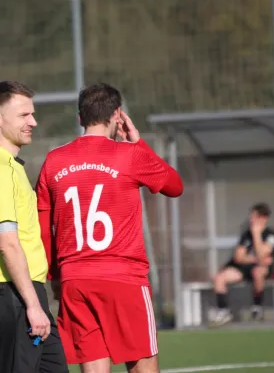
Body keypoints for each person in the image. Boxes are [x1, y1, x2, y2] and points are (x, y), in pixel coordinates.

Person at [35, 83, 183, 373]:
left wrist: (54, 276)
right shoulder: (129, 155)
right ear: (118, 115)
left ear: (80, 118)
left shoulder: (54, 161)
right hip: (123, 278)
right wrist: (138, 143)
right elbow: (174, 186)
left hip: (74, 281)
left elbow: (43, 227)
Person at [0, 81, 68, 373]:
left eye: (33, 114)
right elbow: (8, 243)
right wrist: (32, 306)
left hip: (25, 295)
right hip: (12, 296)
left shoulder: (11, 167)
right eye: (24, 115)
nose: (33, 122)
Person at [210, 203, 274, 326]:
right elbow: (239, 257)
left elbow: (263, 254)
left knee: (258, 272)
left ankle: (257, 308)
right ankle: (223, 311)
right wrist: (256, 259)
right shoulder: (246, 235)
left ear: (263, 218)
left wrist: (257, 235)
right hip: (242, 269)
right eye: (251, 216)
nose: (251, 219)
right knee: (219, 277)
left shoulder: (271, 235)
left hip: (261, 270)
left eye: (254, 217)